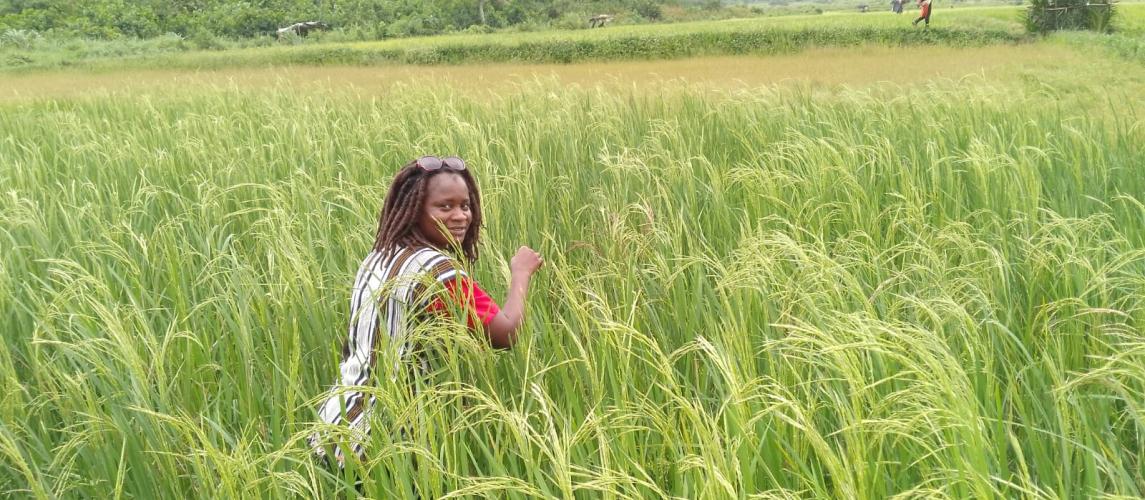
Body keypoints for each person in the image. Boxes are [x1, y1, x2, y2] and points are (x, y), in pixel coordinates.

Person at [308, 155, 544, 468]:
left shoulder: (379, 257)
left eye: (465, 205)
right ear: (415, 209)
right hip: (381, 442)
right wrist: (521, 273)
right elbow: (506, 333)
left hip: (333, 426)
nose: (460, 216)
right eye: (444, 207)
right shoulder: (438, 274)